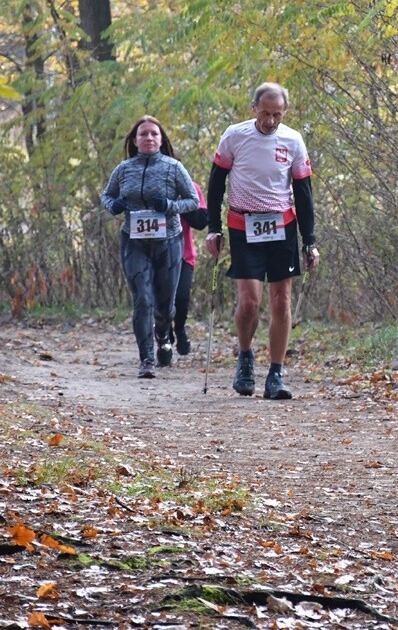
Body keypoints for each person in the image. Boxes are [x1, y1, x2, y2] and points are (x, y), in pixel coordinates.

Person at [205, 82, 319, 400]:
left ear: (285, 112)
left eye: (277, 115)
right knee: (249, 301)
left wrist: (310, 241)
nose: (270, 121)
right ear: (254, 108)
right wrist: (214, 228)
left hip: (282, 225)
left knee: (281, 300)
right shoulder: (235, 135)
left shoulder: (293, 140)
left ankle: (276, 373)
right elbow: (216, 184)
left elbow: (304, 193)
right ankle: (245, 358)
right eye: (265, 113)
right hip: (243, 225)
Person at [101, 115, 200, 378]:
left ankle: (164, 333)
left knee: (165, 306)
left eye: (154, 134)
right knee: (142, 298)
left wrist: (169, 206)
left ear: (161, 139)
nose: (149, 138)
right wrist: (115, 206)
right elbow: (106, 195)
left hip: (168, 241)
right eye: (143, 134)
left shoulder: (174, 168)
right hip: (134, 242)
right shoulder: (123, 169)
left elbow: (193, 201)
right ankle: (146, 359)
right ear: (134, 140)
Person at [169, 182, 208, 356]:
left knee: (182, 297)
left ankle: (179, 328)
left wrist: (180, 203)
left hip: (184, 254)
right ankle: (164, 332)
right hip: (154, 253)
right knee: (159, 298)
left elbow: (201, 222)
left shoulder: (190, 187)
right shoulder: (146, 184)